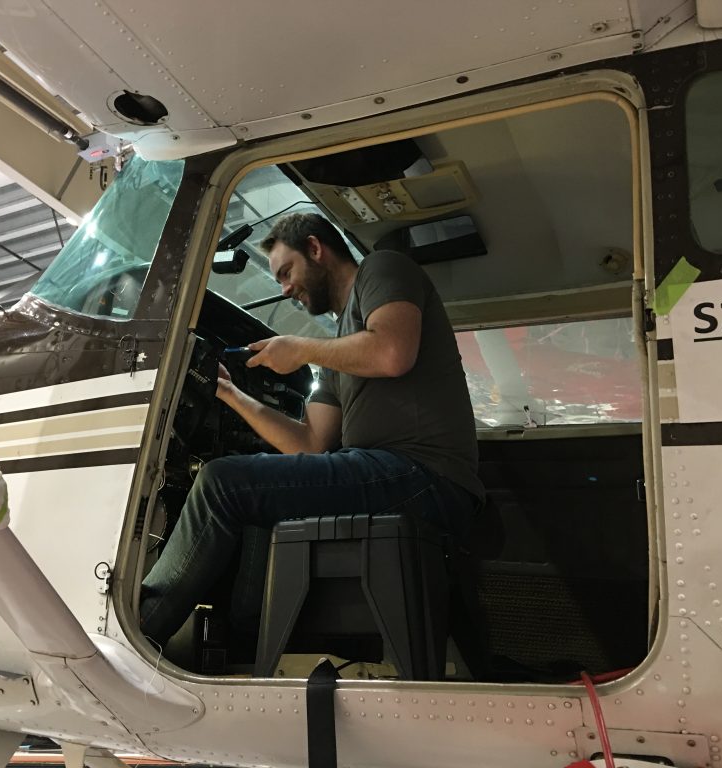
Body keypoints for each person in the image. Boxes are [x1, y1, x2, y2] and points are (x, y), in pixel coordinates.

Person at [140, 212, 484, 647]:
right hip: (389, 473)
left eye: (287, 272)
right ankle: (249, 649)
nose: (285, 289)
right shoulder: (338, 348)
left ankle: (139, 630)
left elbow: (394, 351)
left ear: (316, 249)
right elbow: (312, 443)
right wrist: (229, 394)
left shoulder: (382, 267)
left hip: (424, 475)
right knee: (253, 505)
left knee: (220, 483)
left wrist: (300, 348)